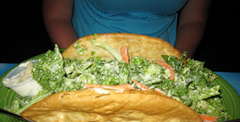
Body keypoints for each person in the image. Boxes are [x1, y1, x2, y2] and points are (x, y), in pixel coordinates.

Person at [42, 0, 212, 58]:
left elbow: (193, 20)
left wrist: (176, 61)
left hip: (165, 57)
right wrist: (80, 63)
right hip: (89, 58)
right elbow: (57, 17)